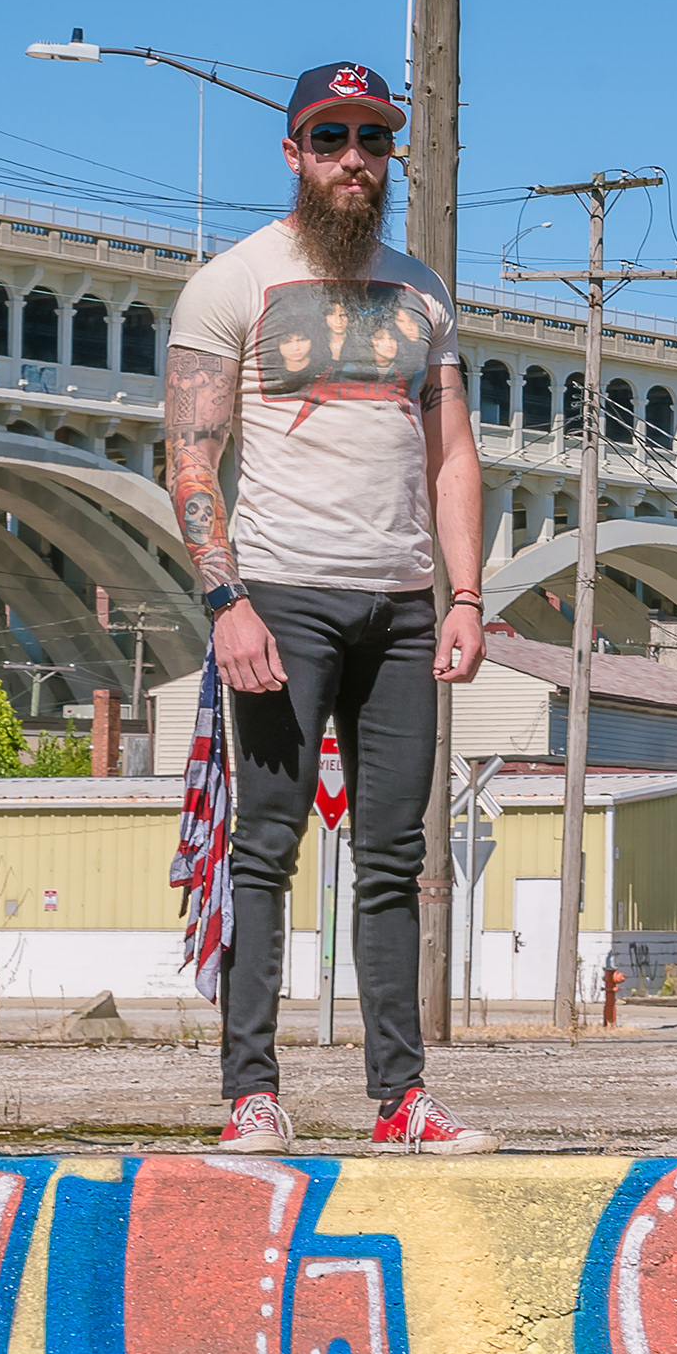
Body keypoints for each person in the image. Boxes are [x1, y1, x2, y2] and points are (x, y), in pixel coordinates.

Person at [165, 60, 496, 1157]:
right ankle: (251, 1095)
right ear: (294, 153)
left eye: (373, 139)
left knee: (396, 859)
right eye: (331, 138)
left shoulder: (424, 293)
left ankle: (401, 1099)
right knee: (265, 847)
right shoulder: (233, 282)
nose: (355, 159)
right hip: (284, 598)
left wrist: (465, 596)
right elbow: (193, 458)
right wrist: (227, 600)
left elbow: (453, 456)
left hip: (402, 608)